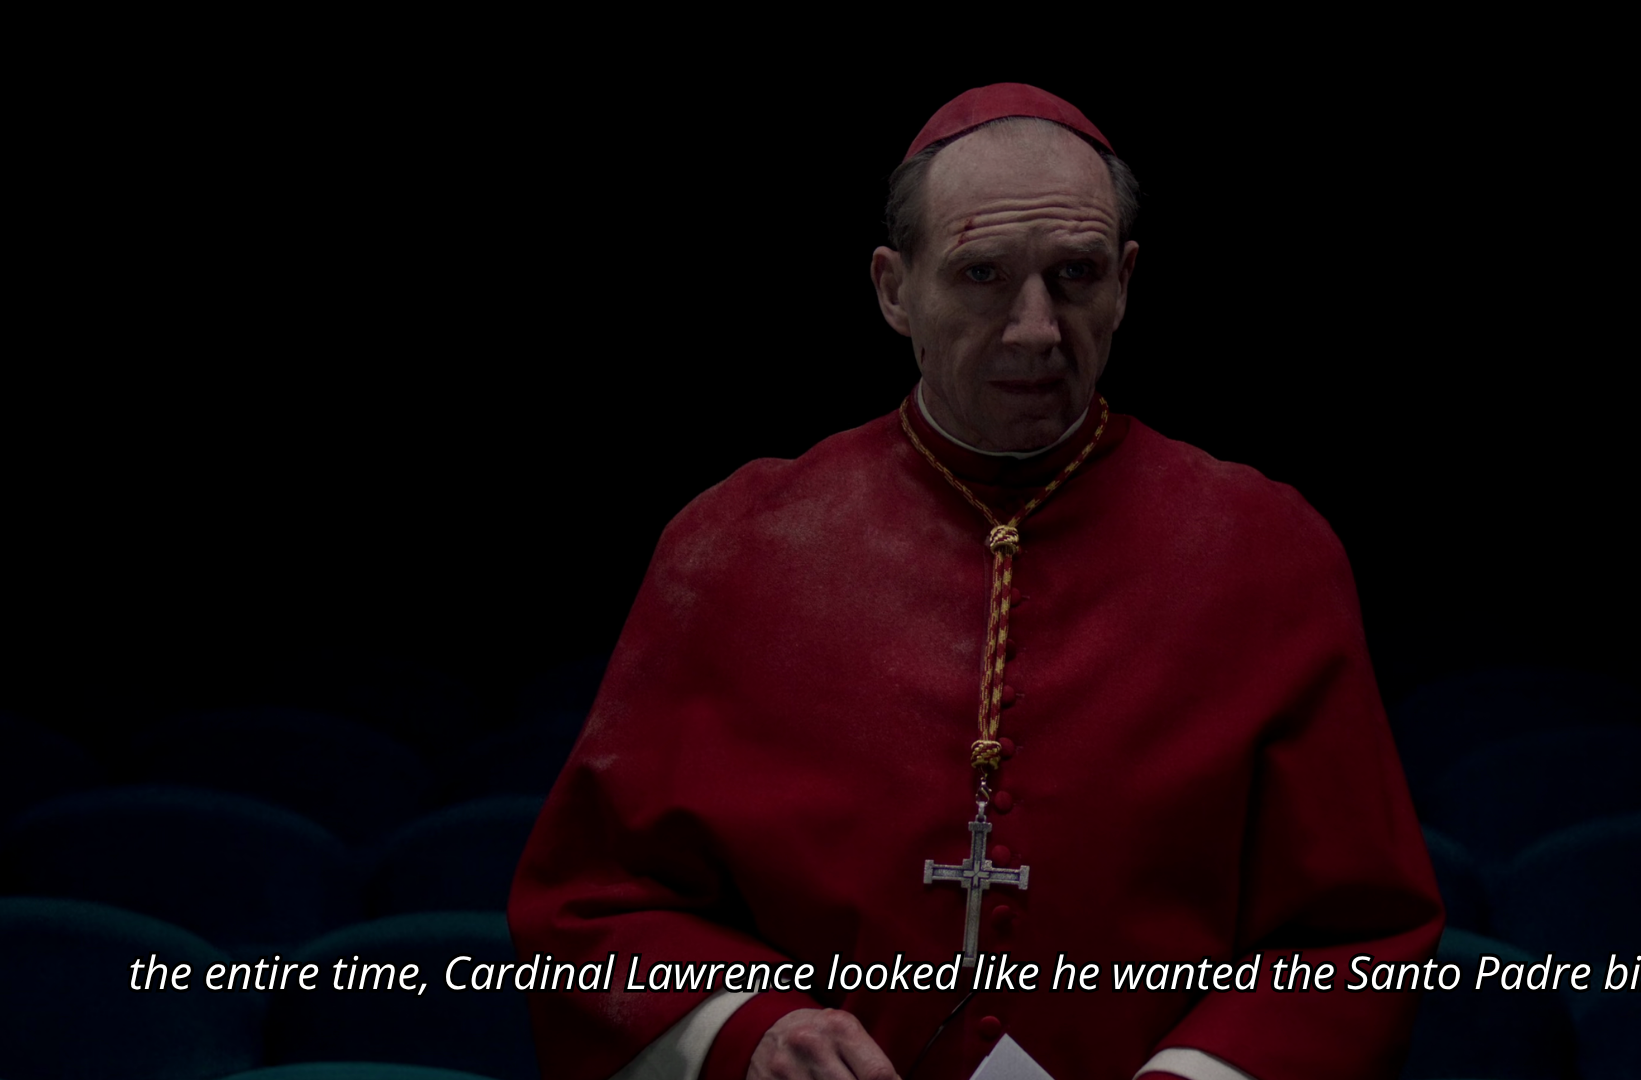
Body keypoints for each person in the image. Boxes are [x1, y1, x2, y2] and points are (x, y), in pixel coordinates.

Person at [509, 83, 1443, 1080]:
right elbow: (592, 908)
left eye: (1075, 274)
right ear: (894, 289)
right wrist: (749, 1029)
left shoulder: (1267, 550)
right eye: (983, 275)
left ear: (1126, 282)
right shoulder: (733, 545)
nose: (1036, 329)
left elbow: (1357, 937)